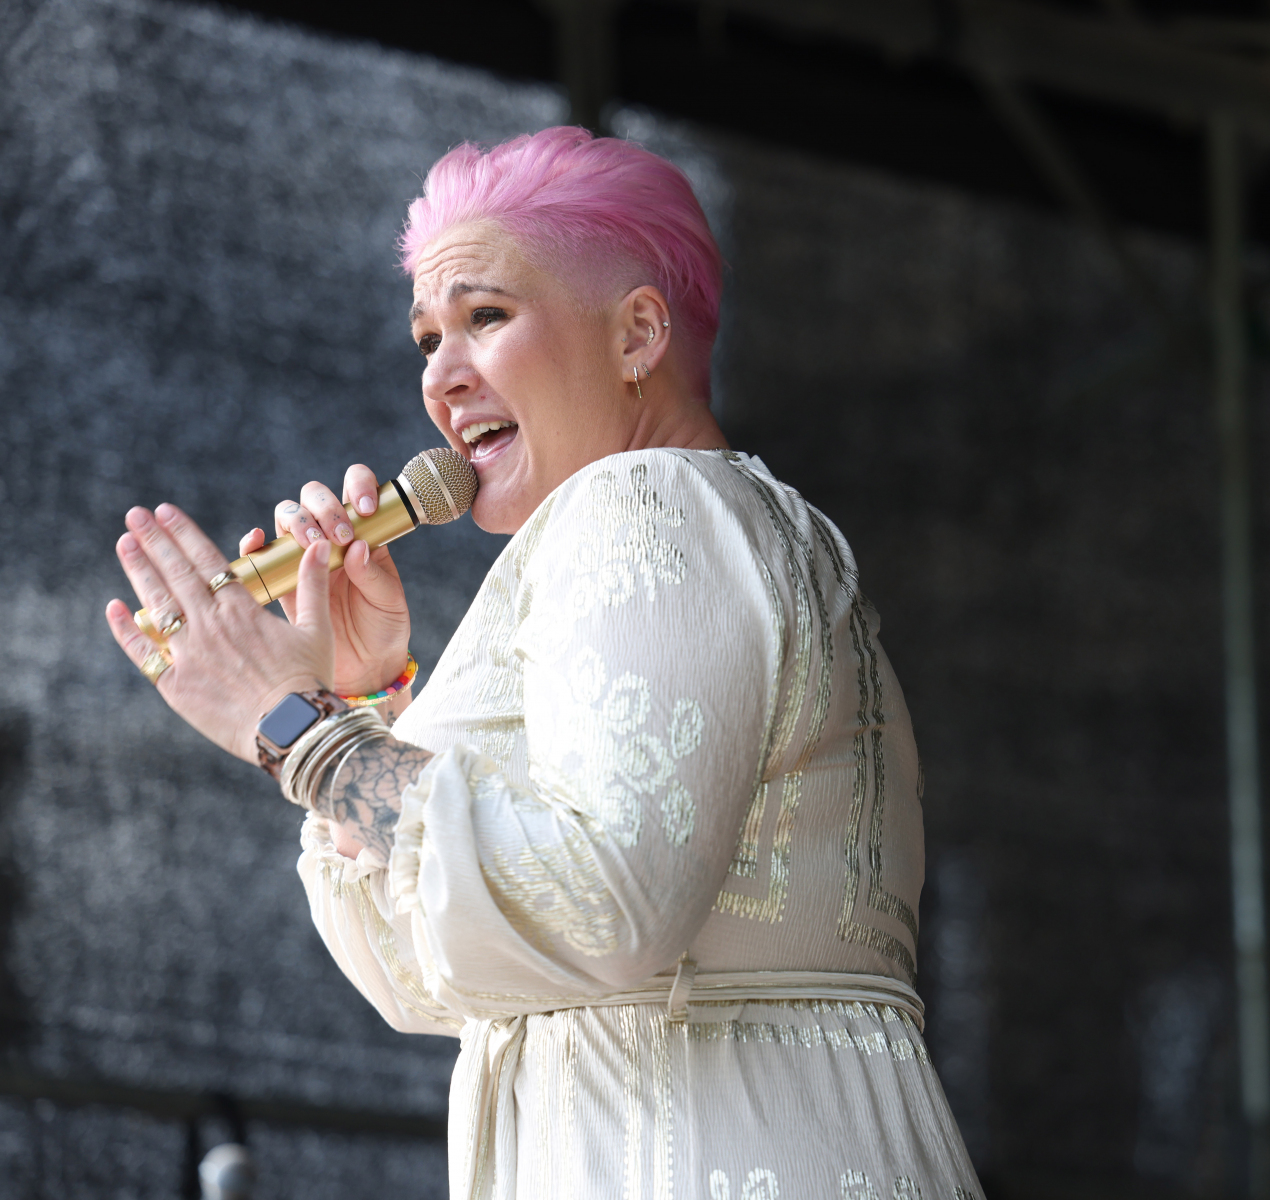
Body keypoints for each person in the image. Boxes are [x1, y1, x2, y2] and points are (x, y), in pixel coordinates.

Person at [103, 126, 979, 1200]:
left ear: (638, 333)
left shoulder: (647, 501)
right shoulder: (687, 523)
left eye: (484, 317)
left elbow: (600, 902)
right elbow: (425, 985)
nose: (441, 378)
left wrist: (296, 726)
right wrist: (363, 703)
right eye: (427, 338)